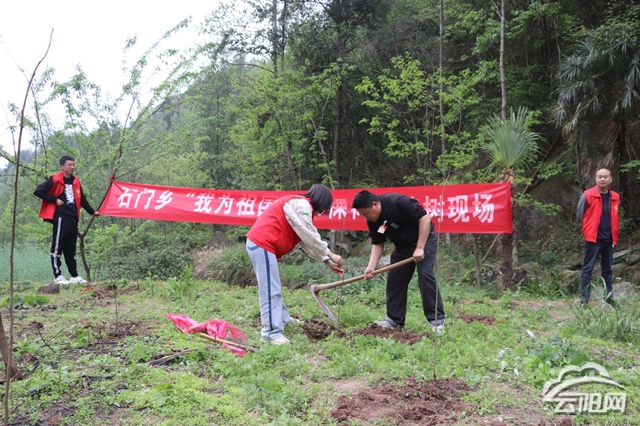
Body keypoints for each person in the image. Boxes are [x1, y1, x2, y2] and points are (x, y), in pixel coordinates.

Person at [246, 184, 344, 345]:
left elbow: (305, 241)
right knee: (270, 289)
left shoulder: (299, 207)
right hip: (262, 243)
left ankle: (283, 319)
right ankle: (270, 333)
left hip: (262, 245)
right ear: (321, 201)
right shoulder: (302, 204)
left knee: (273, 286)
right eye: (324, 209)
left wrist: (326, 260)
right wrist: (330, 254)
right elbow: (309, 234)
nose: (322, 212)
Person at [352, 190, 446, 334]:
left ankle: (437, 321)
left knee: (425, 274)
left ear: (375, 204)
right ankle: (394, 321)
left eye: (366, 213)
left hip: (425, 240)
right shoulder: (373, 221)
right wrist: (371, 267)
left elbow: (425, 219)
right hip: (402, 246)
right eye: (362, 215)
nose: (365, 217)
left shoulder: (398, 202)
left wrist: (420, 248)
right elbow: (377, 243)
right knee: (395, 279)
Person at [34, 155, 100, 285]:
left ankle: (74, 276)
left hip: (73, 217)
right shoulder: (55, 179)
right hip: (60, 217)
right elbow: (38, 191)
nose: (72, 167)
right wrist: (54, 200)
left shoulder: (75, 180)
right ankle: (58, 275)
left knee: (71, 248)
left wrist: (92, 212)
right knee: (57, 246)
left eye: (73, 165)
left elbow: (82, 198)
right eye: (69, 165)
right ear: (62, 166)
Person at [576, 168, 620, 308]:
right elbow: (580, 215)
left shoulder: (615, 197)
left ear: (610, 179)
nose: (602, 179)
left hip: (609, 238)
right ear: (595, 179)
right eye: (600, 177)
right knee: (588, 268)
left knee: (607, 269)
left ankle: (608, 298)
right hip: (593, 238)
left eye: (605, 177)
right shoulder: (588, 195)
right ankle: (584, 300)